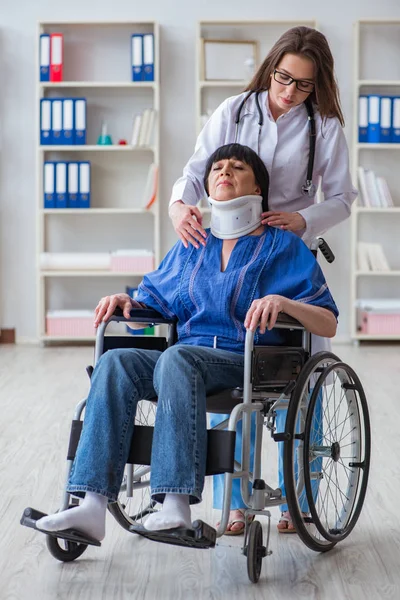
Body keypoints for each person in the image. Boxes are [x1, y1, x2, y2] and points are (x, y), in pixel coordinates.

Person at [35, 144, 338, 542]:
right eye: (216, 168)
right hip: (185, 361)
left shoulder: (283, 246)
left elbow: (328, 321)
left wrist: (283, 302)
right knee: (116, 362)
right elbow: (154, 302)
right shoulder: (192, 245)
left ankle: (175, 504)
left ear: (258, 188)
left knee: (177, 359)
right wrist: (128, 302)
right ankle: (91, 506)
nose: (223, 172)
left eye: (236, 167)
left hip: (246, 359)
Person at [169, 26, 356, 534]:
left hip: (285, 254)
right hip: (230, 248)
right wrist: (178, 205)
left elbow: (341, 198)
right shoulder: (233, 110)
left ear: (317, 86)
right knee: (231, 367)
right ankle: (234, 502)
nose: (288, 93)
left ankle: (304, 495)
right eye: (282, 78)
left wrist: (303, 220)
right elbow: (194, 172)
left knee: (306, 381)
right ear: (270, 67)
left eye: (302, 86)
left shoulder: (325, 128)